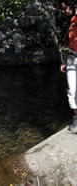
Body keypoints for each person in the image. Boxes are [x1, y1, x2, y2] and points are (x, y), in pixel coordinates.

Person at [60, 0, 77, 132]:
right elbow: (65, 44)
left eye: (66, 8)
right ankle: (76, 118)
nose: (64, 11)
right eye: (62, 9)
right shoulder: (67, 23)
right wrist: (64, 61)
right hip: (71, 59)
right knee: (71, 90)